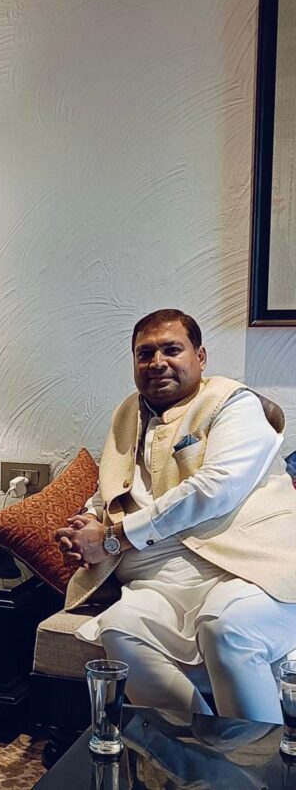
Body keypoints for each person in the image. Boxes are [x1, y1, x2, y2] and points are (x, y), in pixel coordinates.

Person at [55, 308, 296, 723]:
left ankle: (260, 771)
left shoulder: (232, 403)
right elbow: (118, 488)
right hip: (158, 584)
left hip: (245, 570)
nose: (157, 362)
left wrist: (113, 537)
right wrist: (88, 522)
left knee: (226, 628)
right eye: (144, 353)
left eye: (171, 349)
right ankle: (202, 756)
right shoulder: (128, 414)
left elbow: (215, 487)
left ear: (200, 357)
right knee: (119, 630)